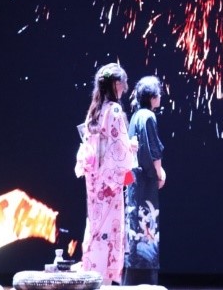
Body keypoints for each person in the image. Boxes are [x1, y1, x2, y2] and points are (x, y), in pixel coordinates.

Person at [74, 63, 137, 285]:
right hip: (110, 183)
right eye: (123, 83)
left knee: (95, 227)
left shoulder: (95, 111)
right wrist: (131, 147)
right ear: (116, 84)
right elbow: (119, 148)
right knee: (110, 228)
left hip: (94, 182)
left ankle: (92, 274)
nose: (125, 88)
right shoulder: (114, 110)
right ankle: (106, 280)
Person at [123, 75, 166, 285]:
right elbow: (153, 149)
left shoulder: (135, 116)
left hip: (133, 182)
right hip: (145, 181)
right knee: (147, 227)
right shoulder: (148, 116)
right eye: (159, 93)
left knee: (135, 229)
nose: (161, 97)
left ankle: (132, 282)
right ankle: (146, 283)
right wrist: (159, 172)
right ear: (152, 96)